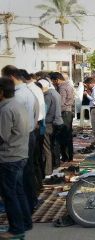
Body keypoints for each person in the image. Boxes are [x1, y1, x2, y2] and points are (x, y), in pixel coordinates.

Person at [0, 77, 33, 239]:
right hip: (20, 154)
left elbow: (2, 136)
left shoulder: (6, 109)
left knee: (10, 194)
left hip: (9, 157)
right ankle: (25, 223)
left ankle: (16, 229)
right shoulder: (17, 105)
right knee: (18, 192)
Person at [50, 72, 75, 162]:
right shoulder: (68, 85)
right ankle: (69, 156)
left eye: (53, 81)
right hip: (68, 112)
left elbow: (61, 102)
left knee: (64, 136)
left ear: (57, 80)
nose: (53, 83)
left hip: (65, 112)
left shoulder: (62, 87)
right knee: (67, 135)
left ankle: (66, 157)